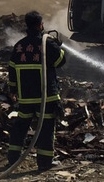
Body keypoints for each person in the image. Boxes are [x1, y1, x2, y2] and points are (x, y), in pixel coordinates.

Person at [7, 10, 66, 171]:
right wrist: (58, 46)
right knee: (46, 128)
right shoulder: (47, 43)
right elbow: (61, 61)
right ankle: (45, 163)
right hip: (46, 97)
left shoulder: (19, 46)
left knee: (20, 126)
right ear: (41, 25)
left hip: (25, 98)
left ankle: (13, 159)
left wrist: (13, 89)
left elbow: (11, 70)